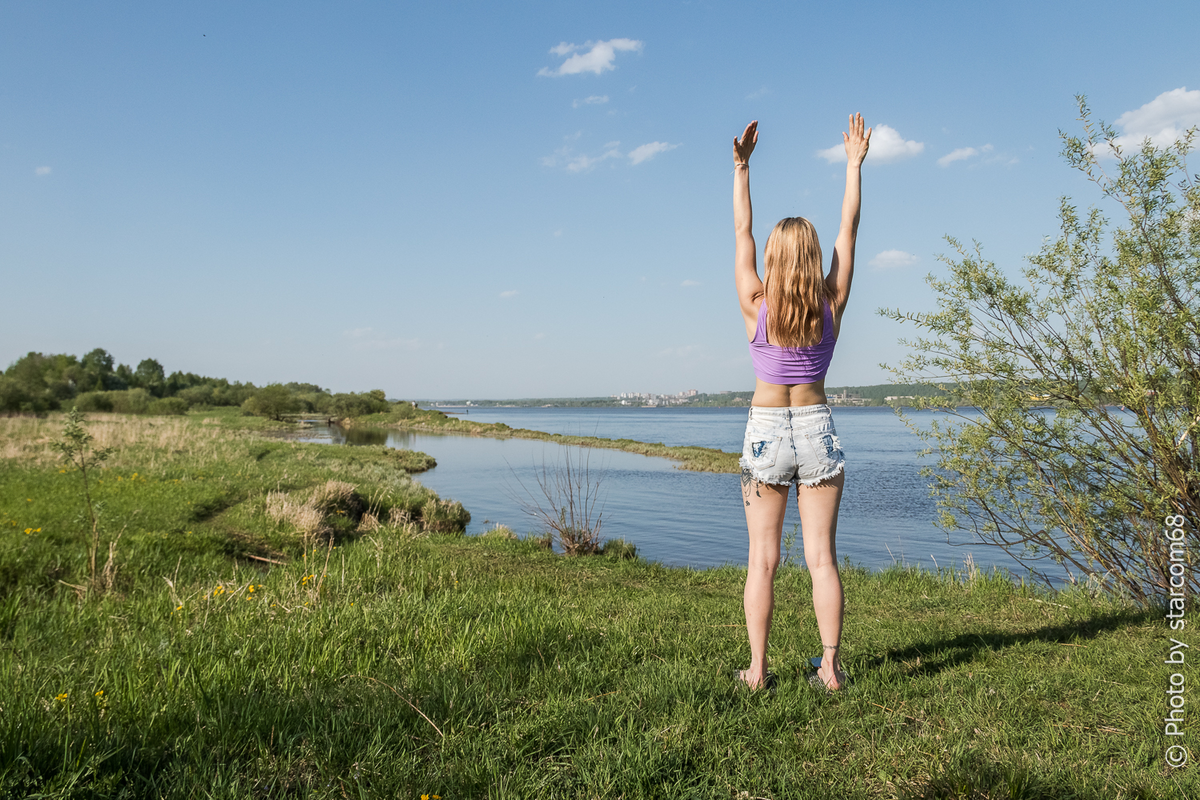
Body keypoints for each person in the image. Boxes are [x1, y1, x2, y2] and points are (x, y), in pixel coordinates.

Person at [731, 115, 870, 692]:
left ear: (773, 257)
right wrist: (854, 164)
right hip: (816, 425)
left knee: (763, 559)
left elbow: (741, 231)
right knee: (822, 557)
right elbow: (849, 228)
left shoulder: (754, 299)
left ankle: (759, 671)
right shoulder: (831, 303)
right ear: (812, 260)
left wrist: (741, 167)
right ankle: (829, 669)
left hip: (766, 427)